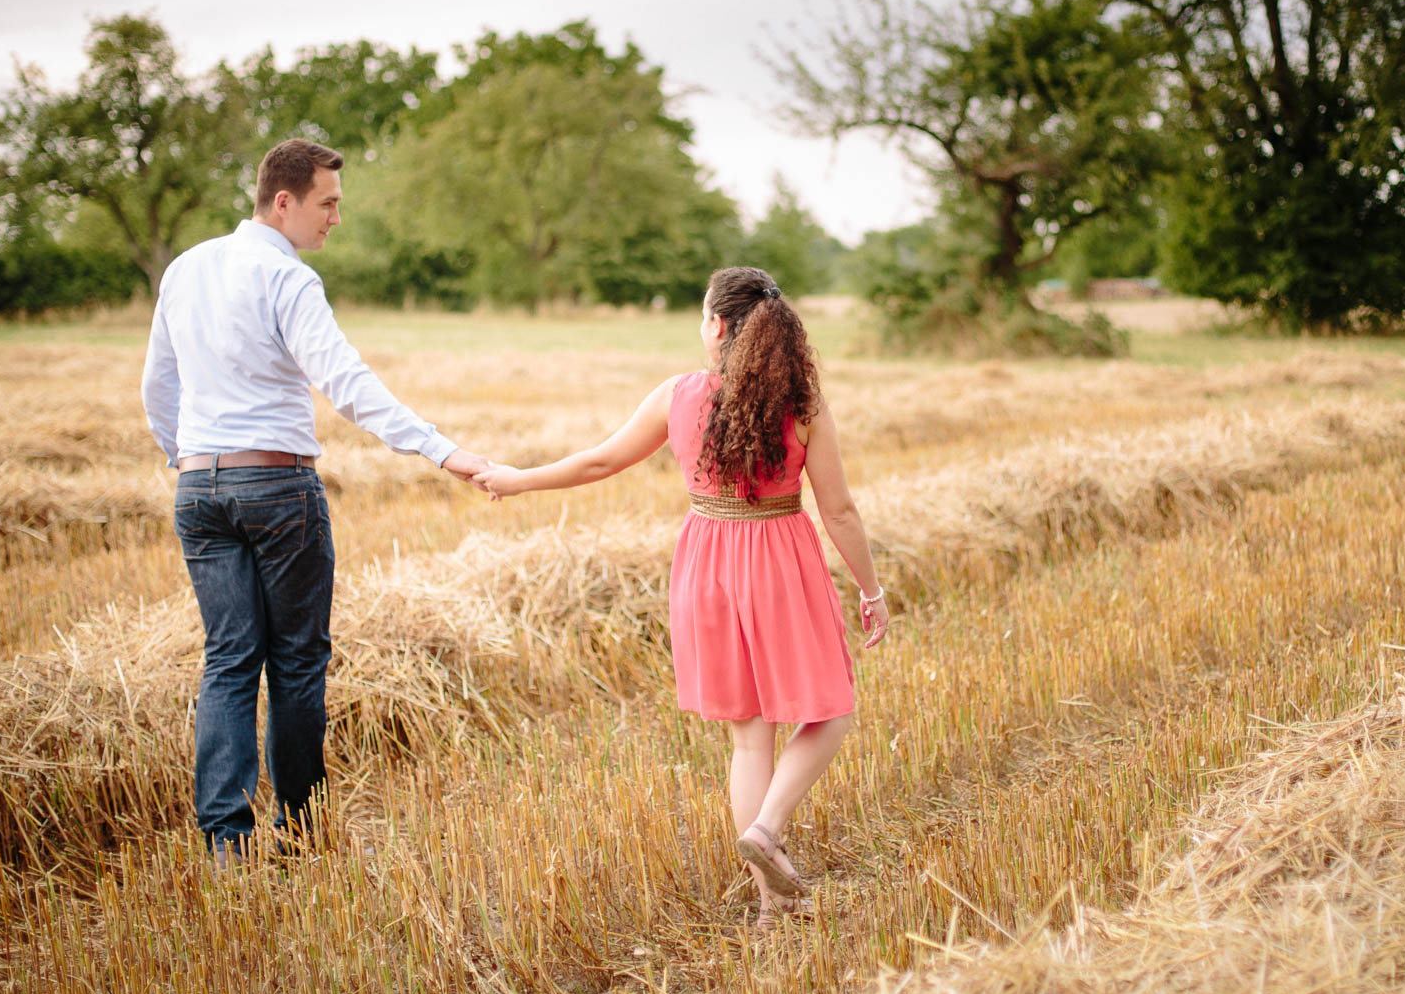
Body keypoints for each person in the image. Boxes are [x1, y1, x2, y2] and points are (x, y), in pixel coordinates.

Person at [473, 266, 891, 927]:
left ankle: (770, 908)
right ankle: (768, 830)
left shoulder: (679, 396)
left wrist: (517, 478)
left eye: (702, 315)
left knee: (749, 740)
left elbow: (599, 461)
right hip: (779, 561)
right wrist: (872, 590)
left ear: (717, 326)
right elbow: (838, 510)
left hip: (706, 565)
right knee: (831, 711)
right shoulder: (802, 406)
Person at [141, 137, 492, 867]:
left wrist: (190, 459)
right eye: (327, 203)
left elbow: (157, 386)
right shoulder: (287, 277)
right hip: (277, 489)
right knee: (297, 663)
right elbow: (346, 382)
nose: (335, 218)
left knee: (228, 659)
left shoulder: (186, 268)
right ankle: (300, 834)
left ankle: (226, 845)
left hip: (198, 491)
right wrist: (440, 449)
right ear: (284, 202)